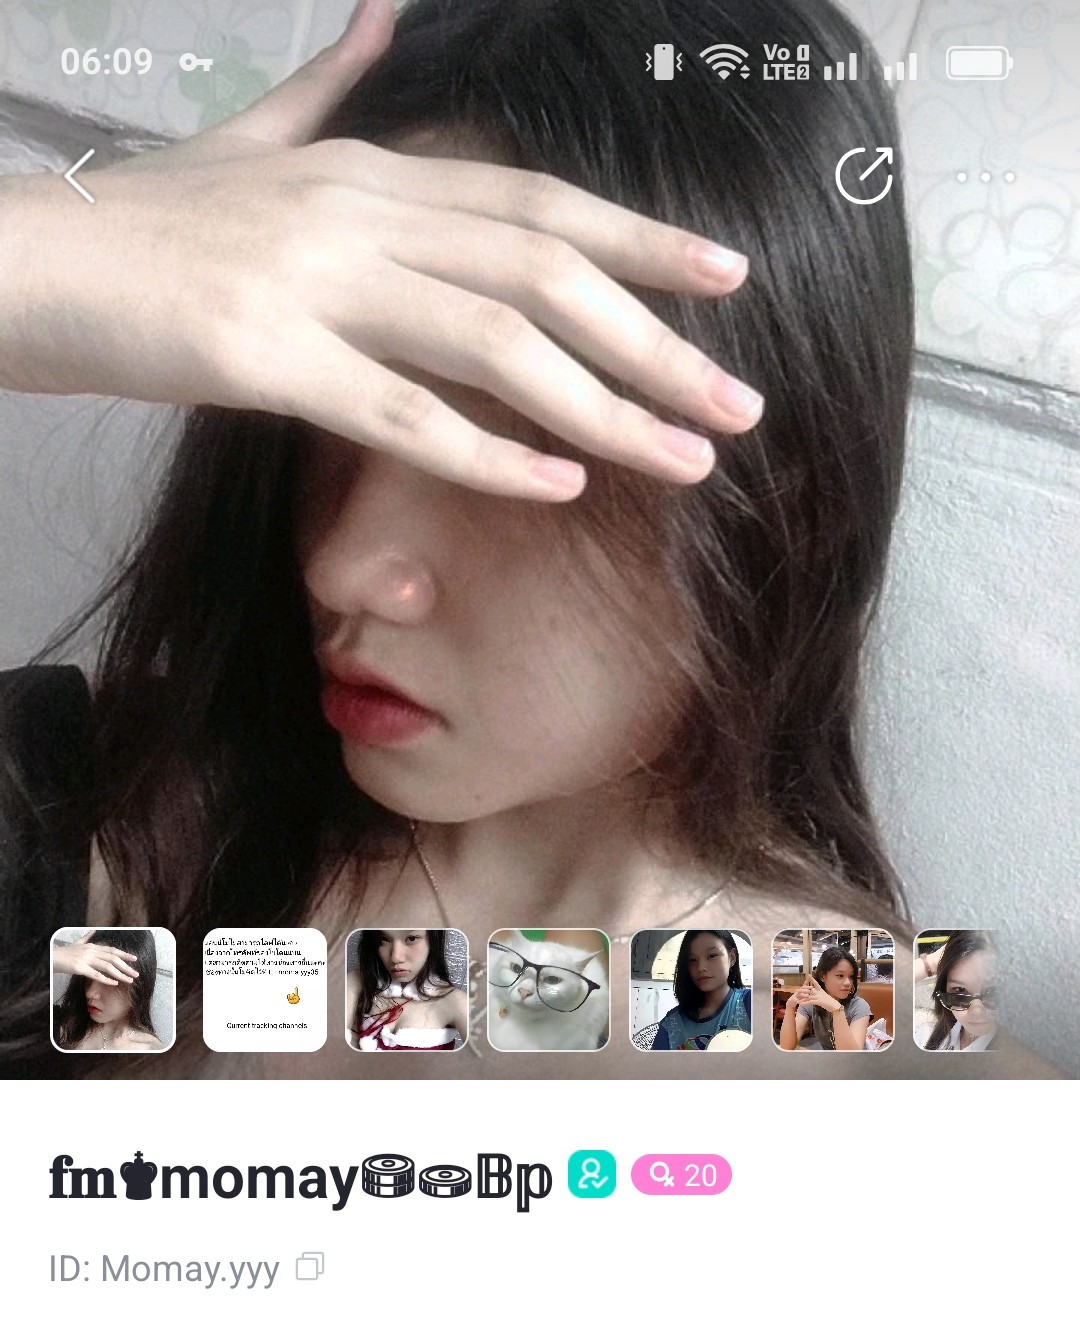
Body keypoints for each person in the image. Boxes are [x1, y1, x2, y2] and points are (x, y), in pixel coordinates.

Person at [0, 0, 916, 1079]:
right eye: (332, 425)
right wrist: (33, 255)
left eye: (509, 445)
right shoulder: (99, 846)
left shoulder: (865, 1038)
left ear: (789, 502)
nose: (340, 567)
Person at [347, 928, 467, 1050]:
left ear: (433, 937)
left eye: (412, 938)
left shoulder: (456, 1002)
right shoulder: (357, 983)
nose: (395, 957)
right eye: (383, 939)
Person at [53, 929, 164, 1052]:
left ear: (139, 985)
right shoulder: (62, 1024)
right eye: (88, 976)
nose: (90, 993)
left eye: (109, 978)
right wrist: (53, 958)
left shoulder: (153, 1051)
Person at [651, 930, 751, 1051]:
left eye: (712, 956)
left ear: (732, 957)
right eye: (692, 960)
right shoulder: (671, 1024)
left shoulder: (750, 1003)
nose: (701, 967)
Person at [915, 930, 998, 1052]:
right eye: (960, 990)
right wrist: (930, 963)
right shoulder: (926, 1032)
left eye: (993, 992)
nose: (976, 1011)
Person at [778, 946, 872, 1051]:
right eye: (840, 975)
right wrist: (790, 1006)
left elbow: (851, 1056)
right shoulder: (811, 1002)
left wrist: (837, 1010)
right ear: (823, 976)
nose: (848, 983)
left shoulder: (859, 1006)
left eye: (851, 976)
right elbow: (786, 1046)